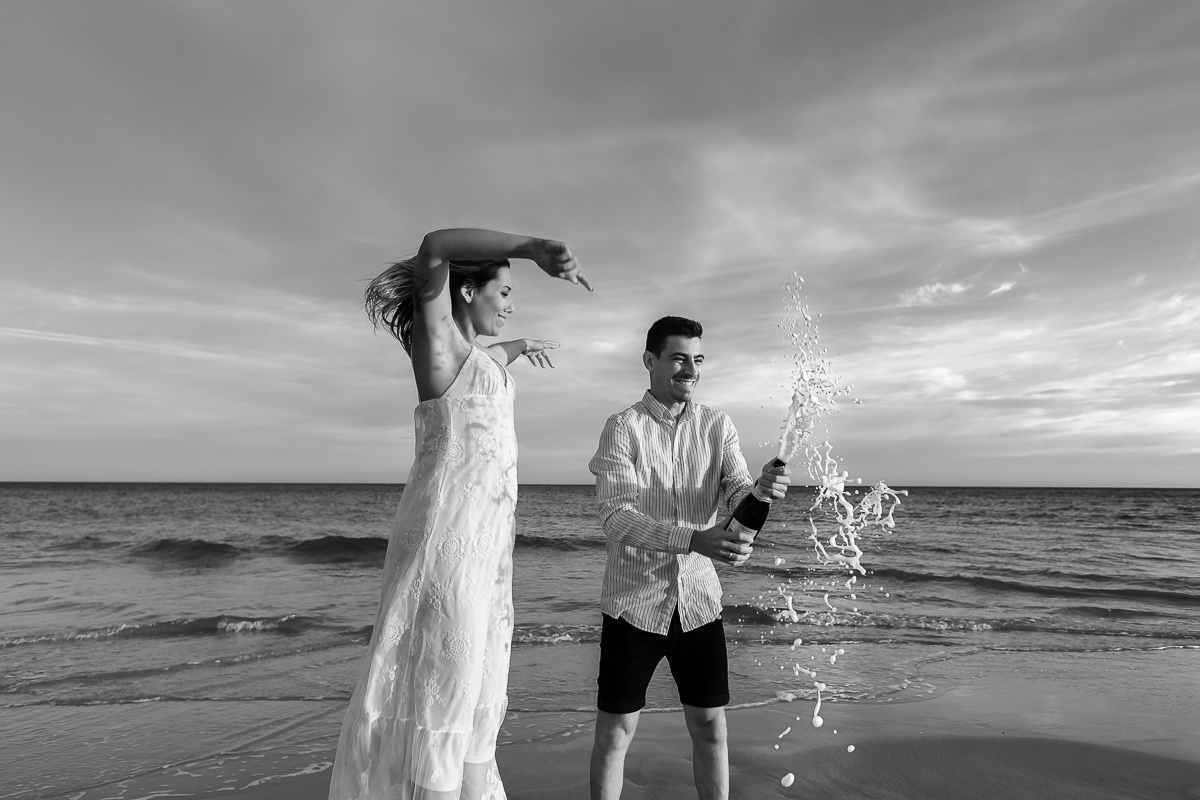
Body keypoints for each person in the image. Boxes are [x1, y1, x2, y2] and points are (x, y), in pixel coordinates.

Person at [328, 228, 592, 800]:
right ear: (466, 292)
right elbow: (433, 246)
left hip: (489, 556)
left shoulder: (483, 359)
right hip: (444, 545)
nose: (511, 302)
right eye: (504, 291)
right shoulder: (440, 343)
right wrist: (533, 248)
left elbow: (497, 357)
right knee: (441, 688)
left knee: (478, 687)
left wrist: (523, 343)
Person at [587, 315, 789, 800]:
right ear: (650, 361)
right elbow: (616, 517)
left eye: (697, 359)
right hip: (633, 603)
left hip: (698, 602)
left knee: (711, 728)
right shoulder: (622, 428)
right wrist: (694, 539)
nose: (690, 369)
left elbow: (737, 487)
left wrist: (760, 490)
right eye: (678, 358)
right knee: (615, 734)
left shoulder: (717, 425)